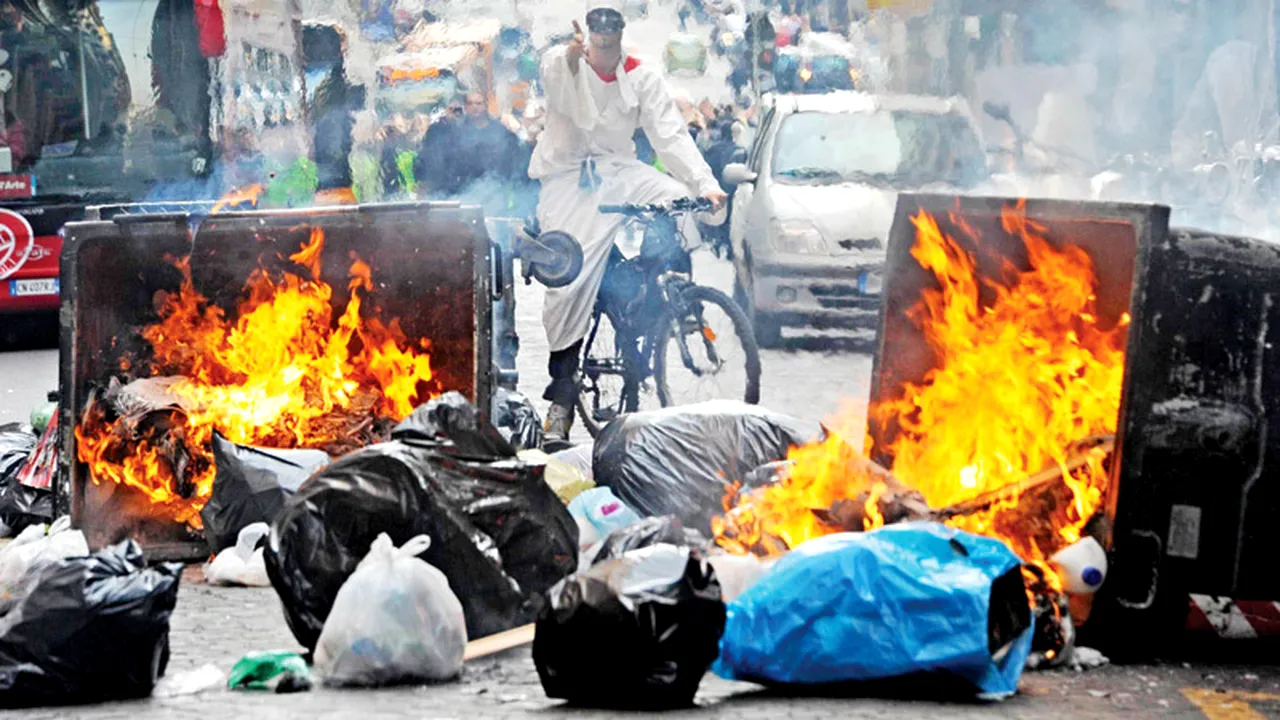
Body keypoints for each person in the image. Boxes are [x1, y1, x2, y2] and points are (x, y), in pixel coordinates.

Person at [529, 0, 727, 440]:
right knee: (570, 286)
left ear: (620, 33)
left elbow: (670, 136)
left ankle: (666, 302)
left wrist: (705, 184)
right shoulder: (561, 62)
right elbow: (556, 79)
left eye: (610, 30)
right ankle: (562, 400)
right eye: (594, 31)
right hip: (570, 180)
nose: (602, 38)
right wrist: (570, 56)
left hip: (621, 171)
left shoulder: (642, 73)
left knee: (678, 202)